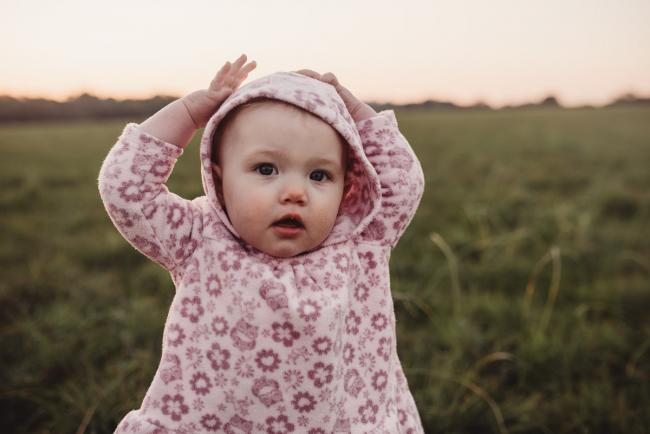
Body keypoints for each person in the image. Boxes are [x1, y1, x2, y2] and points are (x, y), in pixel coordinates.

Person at [98, 53, 425, 434]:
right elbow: (126, 188)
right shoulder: (199, 238)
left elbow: (402, 181)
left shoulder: (360, 240)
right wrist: (190, 112)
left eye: (319, 175)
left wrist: (349, 105)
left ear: (349, 186)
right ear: (220, 180)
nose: (294, 192)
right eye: (266, 169)